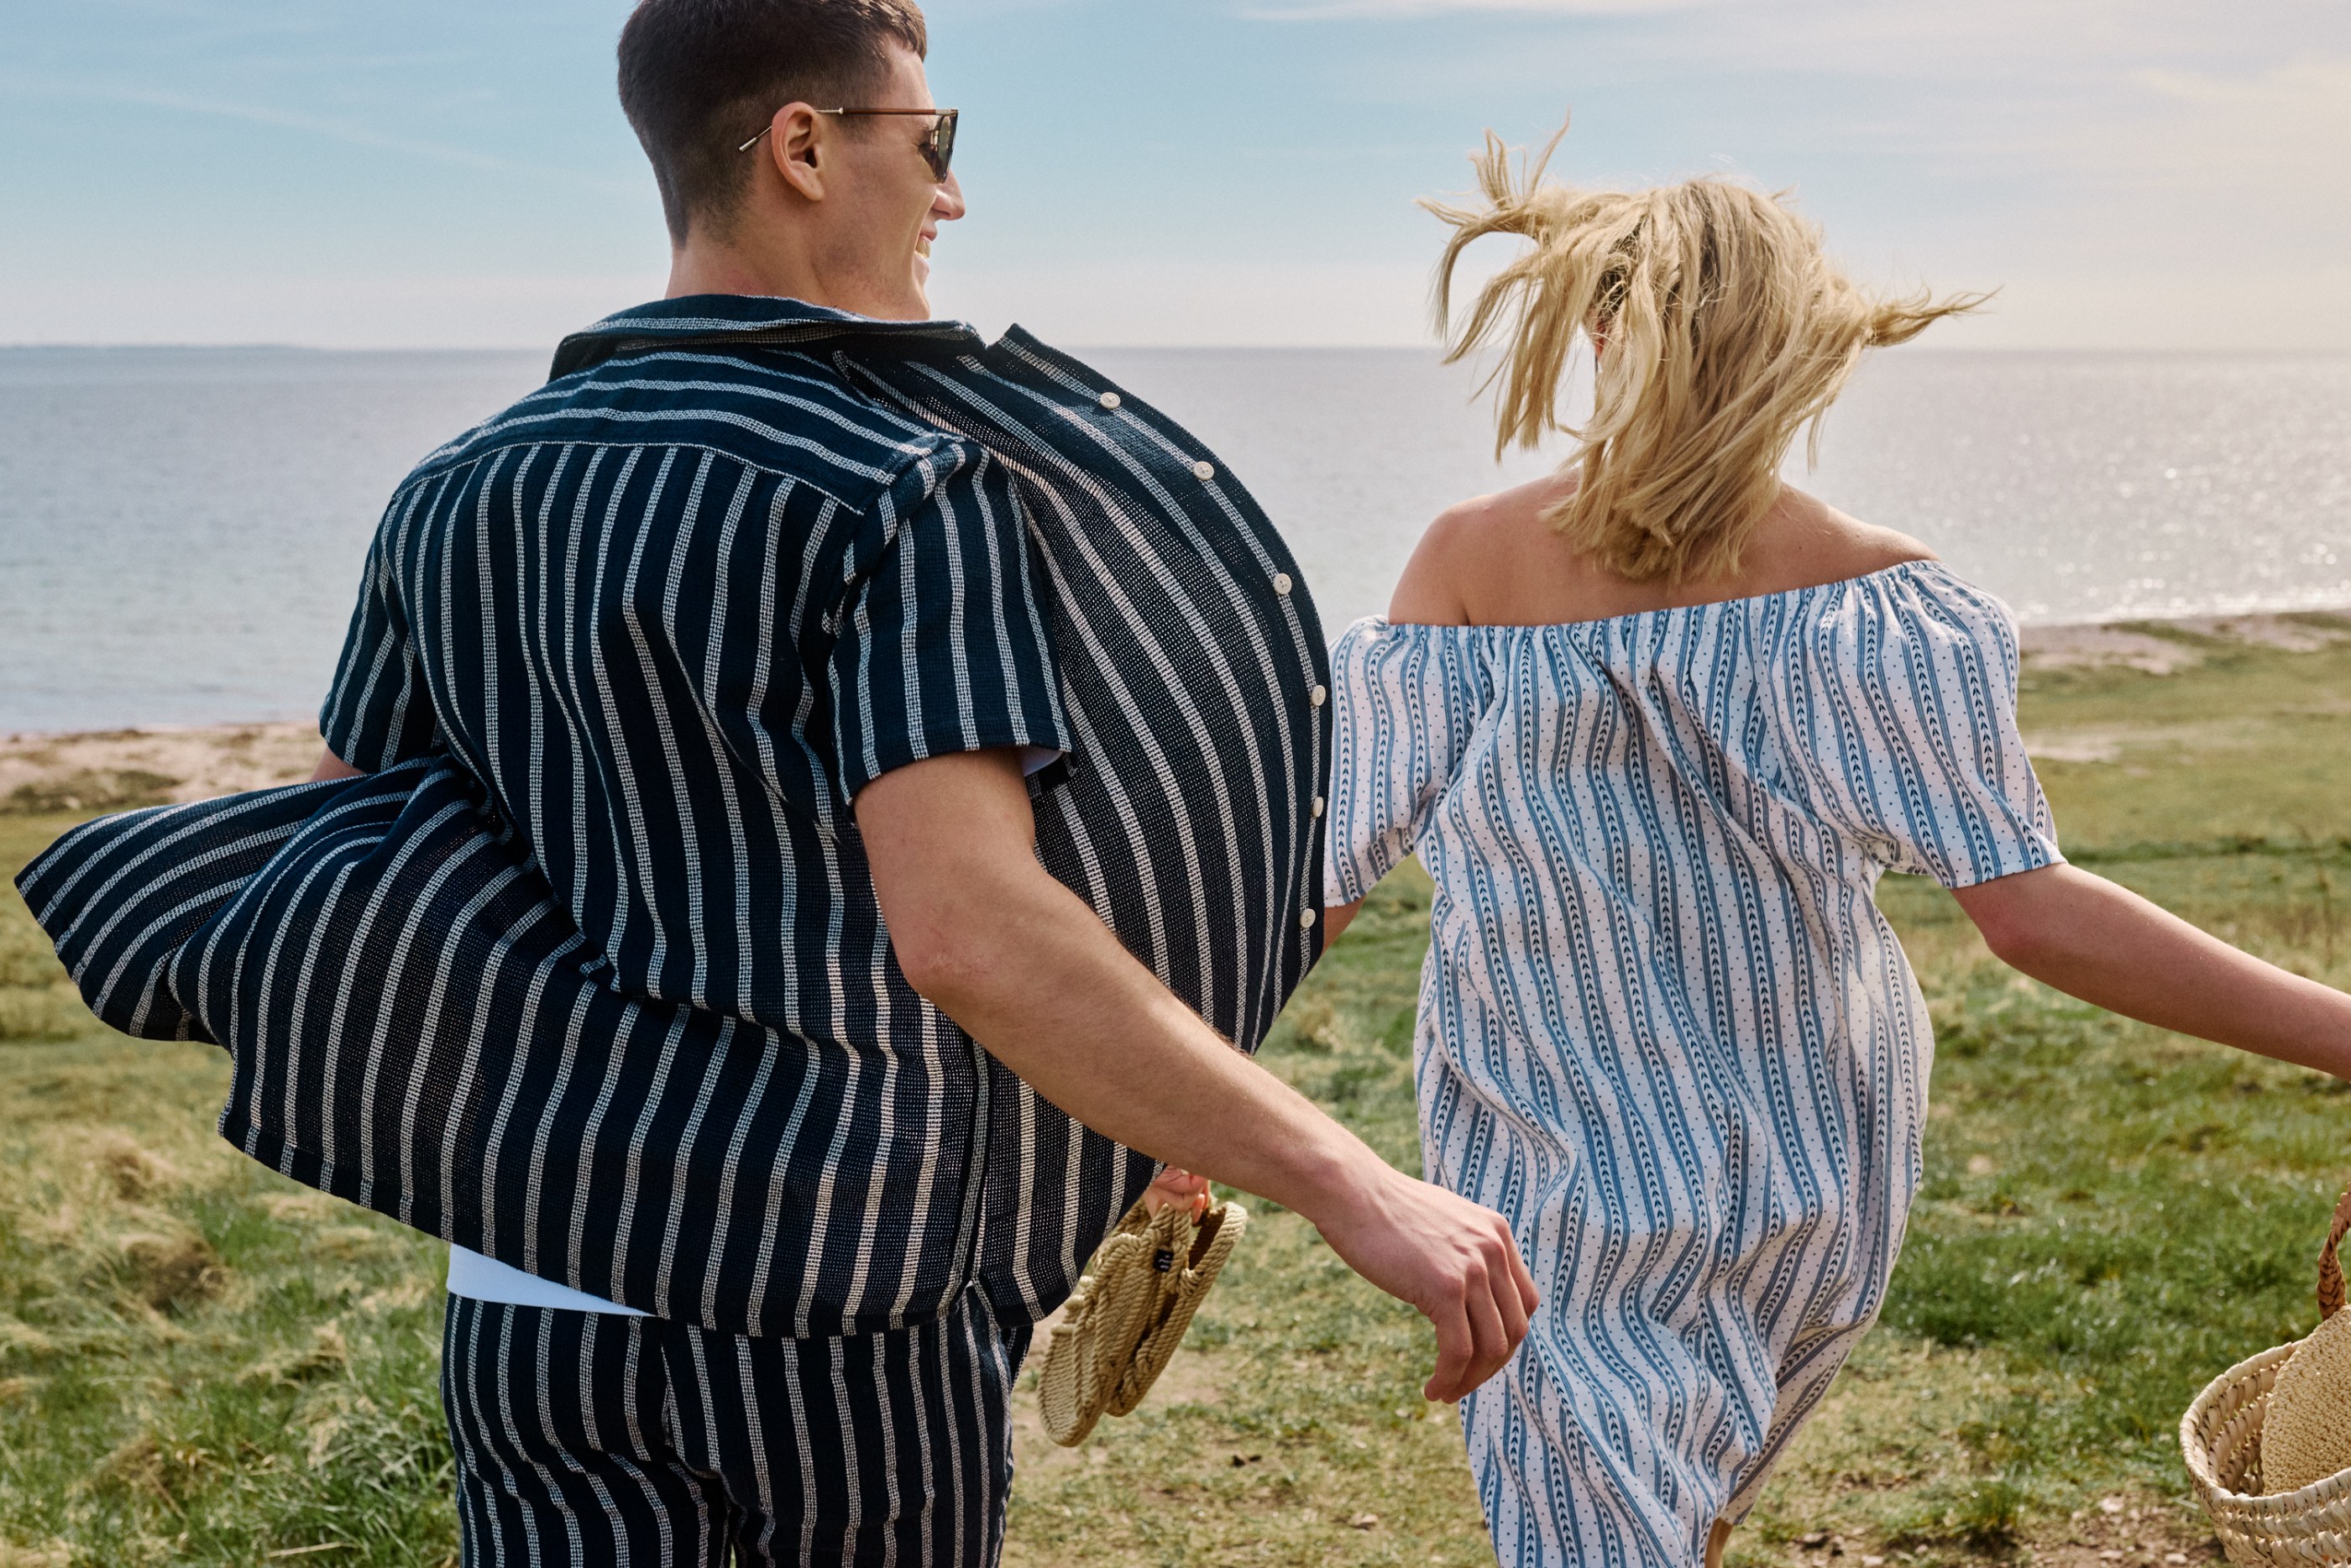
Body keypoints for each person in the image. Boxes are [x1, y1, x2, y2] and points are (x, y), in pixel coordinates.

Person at [17, 3, 1535, 1563]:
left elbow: (334, 857)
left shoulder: (454, 491)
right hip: (836, 1321)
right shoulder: (899, 486)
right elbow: (970, 929)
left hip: (530, 1304)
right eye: (933, 142)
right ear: (803, 148)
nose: (952, 195)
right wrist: (1353, 1183)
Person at [1318, 133, 2351, 1568]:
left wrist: (1171, 1084)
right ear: (1809, 355)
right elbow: (2036, 910)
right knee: (1666, 1524)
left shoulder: (1473, 564)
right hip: (1798, 1157)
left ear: (1601, 326)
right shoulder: (1871, 597)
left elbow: (1324, 877)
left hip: (1581, 1164)